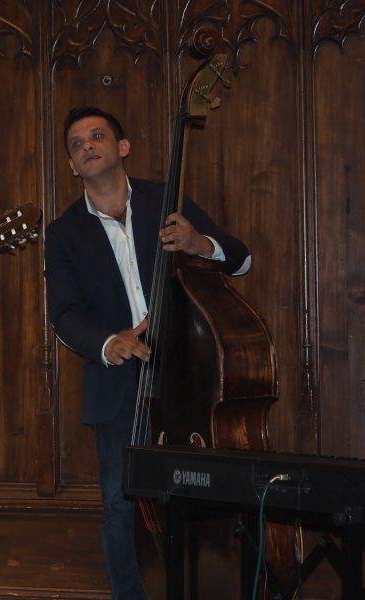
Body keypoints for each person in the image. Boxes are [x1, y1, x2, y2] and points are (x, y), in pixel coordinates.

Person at [43, 106, 251, 599]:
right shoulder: (64, 232)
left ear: (123, 147)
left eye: (97, 136)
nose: (87, 146)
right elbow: (64, 314)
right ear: (71, 165)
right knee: (121, 509)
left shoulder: (167, 201)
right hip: (119, 389)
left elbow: (241, 260)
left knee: (205, 495)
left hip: (190, 377)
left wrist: (200, 243)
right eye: (77, 143)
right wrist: (110, 342)